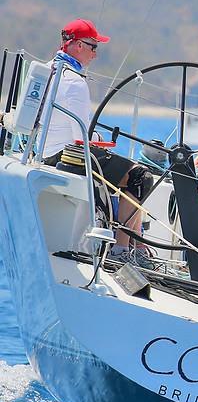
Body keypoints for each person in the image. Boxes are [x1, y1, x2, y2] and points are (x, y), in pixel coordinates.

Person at [40, 19, 154, 267]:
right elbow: (80, 136)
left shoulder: (46, 69)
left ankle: (139, 245)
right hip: (66, 156)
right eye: (93, 47)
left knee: (126, 170)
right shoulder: (75, 82)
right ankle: (122, 250)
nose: (95, 54)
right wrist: (102, 140)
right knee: (140, 177)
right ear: (78, 45)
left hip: (44, 153)